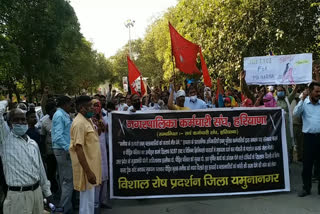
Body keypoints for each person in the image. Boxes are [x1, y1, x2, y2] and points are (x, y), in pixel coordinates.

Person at [0, 100, 53, 214]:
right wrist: (6, 102)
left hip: (37, 193)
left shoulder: (32, 143)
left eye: (23, 119)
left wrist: (47, 193)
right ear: (9, 124)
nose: (20, 122)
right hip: (17, 196)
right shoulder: (5, 140)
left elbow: (41, 170)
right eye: (16, 120)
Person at [69, 96, 102, 214]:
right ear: (82, 108)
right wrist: (88, 172)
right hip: (86, 170)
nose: (92, 108)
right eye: (90, 106)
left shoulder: (87, 120)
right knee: (86, 205)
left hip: (91, 167)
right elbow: (78, 148)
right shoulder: (79, 123)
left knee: (89, 203)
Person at [293, 82, 320, 197]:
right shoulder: (304, 103)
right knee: (307, 165)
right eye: (316, 91)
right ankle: (306, 188)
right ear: (310, 91)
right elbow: (295, 113)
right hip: (308, 138)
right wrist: (302, 100)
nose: (319, 94)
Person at [51, 96, 74, 214]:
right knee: (68, 181)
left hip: (62, 150)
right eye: (70, 104)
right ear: (65, 104)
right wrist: (68, 149)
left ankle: (66, 206)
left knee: (65, 180)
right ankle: (64, 209)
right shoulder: (59, 115)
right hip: (62, 150)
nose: (72, 106)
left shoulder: (63, 114)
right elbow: (58, 136)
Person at [91, 99, 110, 210]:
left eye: (98, 105)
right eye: (94, 105)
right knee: (97, 179)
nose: (96, 108)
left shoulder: (103, 118)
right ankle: (95, 204)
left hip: (103, 151)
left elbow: (107, 128)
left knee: (105, 177)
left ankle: (103, 201)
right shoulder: (88, 120)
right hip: (94, 152)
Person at [40, 101, 58, 194]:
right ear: (48, 112)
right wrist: (44, 152)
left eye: (55, 110)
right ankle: (53, 189)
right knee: (51, 172)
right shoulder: (44, 122)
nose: (55, 113)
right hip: (50, 151)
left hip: (62, 150)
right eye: (52, 111)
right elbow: (42, 137)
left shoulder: (61, 118)